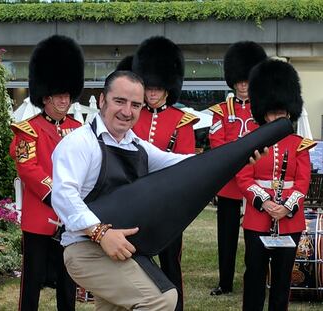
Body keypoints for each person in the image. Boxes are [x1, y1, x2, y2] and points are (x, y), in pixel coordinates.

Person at [51, 70, 268, 311]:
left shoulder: (135, 145)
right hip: (86, 249)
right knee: (161, 300)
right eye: (119, 101)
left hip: (123, 249)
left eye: (135, 105)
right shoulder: (79, 143)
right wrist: (101, 233)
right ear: (102, 100)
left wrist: (237, 157)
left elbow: (184, 164)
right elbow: (64, 196)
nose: (127, 111)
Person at [9, 35, 83, 311]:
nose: (64, 101)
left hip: (71, 218)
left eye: (67, 95)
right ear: (45, 96)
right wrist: (57, 195)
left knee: (68, 279)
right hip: (41, 215)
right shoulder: (28, 129)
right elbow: (27, 168)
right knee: (33, 280)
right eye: (58, 96)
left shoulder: (78, 128)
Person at [237, 58, 316, 311]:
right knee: (255, 276)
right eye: (272, 112)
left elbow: (303, 181)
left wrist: (286, 207)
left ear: (289, 112)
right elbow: (243, 177)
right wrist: (266, 202)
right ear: (263, 112)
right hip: (257, 218)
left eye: (281, 112)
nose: (276, 117)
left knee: (282, 280)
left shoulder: (300, 144)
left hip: (289, 220)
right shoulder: (251, 141)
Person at [131, 36, 198, 311]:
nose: (152, 93)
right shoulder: (132, 115)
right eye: (149, 87)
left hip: (167, 203)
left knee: (171, 261)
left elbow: (184, 166)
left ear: (168, 88)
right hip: (136, 199)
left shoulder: (181, 122)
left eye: (158, 88)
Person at [208, 41, 267, 296]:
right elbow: (217, 143)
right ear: (233, 81)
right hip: (230, 184)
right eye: (239, 81)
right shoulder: (222, 111)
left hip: (257, 181)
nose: (243, 85)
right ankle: (225, 282)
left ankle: (255, 279)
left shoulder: (264, 110)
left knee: (257, 235)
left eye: (247, 80)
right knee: (227, 236)